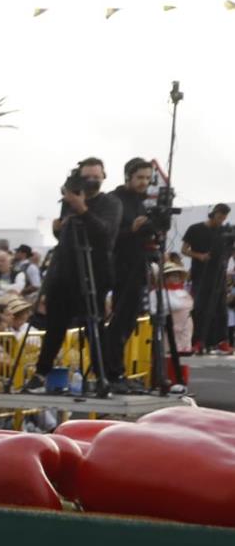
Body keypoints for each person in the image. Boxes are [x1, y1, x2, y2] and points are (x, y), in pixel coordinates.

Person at [30, 159, 122, 383]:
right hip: (64, 273)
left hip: (94, 274)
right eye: (87, 176)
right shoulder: (69, 201)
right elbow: (66, 236)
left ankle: (103, 375)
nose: (91, 181)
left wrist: (82, 209)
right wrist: (58, 228)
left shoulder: (111, 203)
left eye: (96, 176)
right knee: (55, 327)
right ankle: (42, 372)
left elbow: (105, 234)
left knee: (94, 326)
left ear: (103, 177)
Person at [104, 158, 160, 384]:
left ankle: (116, 369)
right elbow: (107, 236)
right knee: (119, 321)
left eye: (147, 178)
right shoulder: (113, 200)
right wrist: (131, 229)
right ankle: (112, 371)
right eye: (140, 178)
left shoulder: (141, 202)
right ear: (128, 176)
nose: (144, 182)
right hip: (118, 268)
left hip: (139, 268)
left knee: (129, 320)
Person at [183, 204, 230, 352]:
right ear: (213, 214)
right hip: (201, 274)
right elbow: (184, 250)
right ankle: (198, 340)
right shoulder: (195, 229)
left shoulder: (224, 231)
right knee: (201, 308)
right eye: (219, 217)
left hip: (219, 275)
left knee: (221, 308)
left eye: (224, 218)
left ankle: (222, 340)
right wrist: (199, 256)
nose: (221, 220)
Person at [163, 263, 195, 353]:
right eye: (173, 276)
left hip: (186, 326)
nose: (176, 278)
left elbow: (190, 306)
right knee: (169, 354)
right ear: (166, 278)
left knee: (185, 354)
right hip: (169, 326)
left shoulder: (184, 292)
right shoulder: (161, 293)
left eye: (177, 276)